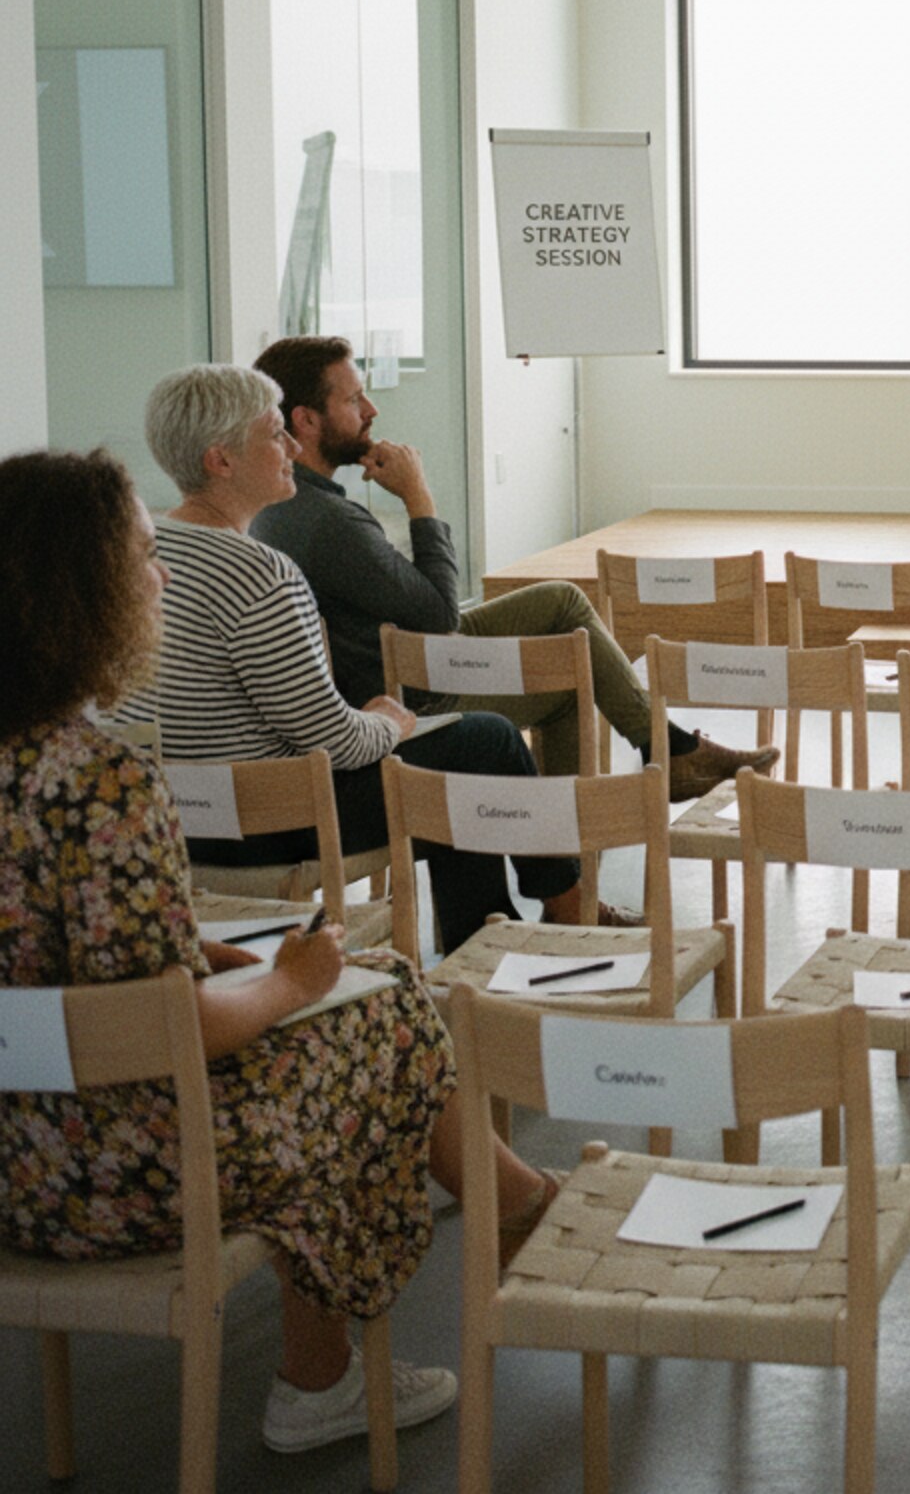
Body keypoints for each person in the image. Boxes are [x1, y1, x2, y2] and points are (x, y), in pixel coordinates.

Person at [0, 448, 562, 1456]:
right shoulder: (106, 783)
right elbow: (167, 1032)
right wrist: (288, 977)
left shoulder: (34, 768)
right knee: (367, 1037)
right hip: (117, 1171)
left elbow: (67, 967)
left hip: (15, 1155)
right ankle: (332, 1366)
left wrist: (201, 950)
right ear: (80, 597)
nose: (162, 572)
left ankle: (500, 1206)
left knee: (379, 983)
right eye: (140, 556)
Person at [107, 364, 601, 952]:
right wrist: (387, 721)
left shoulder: (146, 552)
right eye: (274, 434)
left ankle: (488, 936)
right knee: (485, 742)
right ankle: (572, 924)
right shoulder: (259, 572)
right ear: (222, 460)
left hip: (179, 820)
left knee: (451, 765)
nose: (292, 447)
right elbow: (334, 742)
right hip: (268, 824)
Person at [248, 336, 775, 796]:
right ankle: (570, 872)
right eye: (354, 397)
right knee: (572, 685)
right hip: (414, 684)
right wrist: (419, 498)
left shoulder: (288, 504)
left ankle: (670, 746)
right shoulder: (330, 522)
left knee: (561, 600)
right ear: (306, 419)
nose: (371, 409)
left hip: (402, 646)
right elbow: (440, 615)